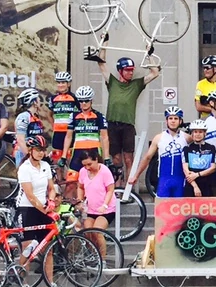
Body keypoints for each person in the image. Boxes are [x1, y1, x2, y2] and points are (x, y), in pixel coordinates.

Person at [100, 47, 160, 183]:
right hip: (112, 124)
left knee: (129, 158)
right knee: (115, 159)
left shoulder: (136, 84)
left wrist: (149, 55)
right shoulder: (113, 82)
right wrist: (104, 44)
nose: (130, 73)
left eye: (132, 70)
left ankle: (129, 189)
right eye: (127, 70)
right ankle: (117, 188)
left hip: (127, 125)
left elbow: (155, 73)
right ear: (120, 71)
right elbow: (101, 64)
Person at [16, 133, 60, 287]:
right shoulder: (24, 168)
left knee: (48, 249)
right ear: (30, 150)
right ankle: (24, 285)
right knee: (28, 249)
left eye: (43, 150)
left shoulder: (45, 166)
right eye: (38, 150)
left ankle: (51, 284)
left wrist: (51, 201)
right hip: (27, 210)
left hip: (43, 208)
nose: (41, 153)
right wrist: (45, 209)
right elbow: (30, 195)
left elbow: (51, 187)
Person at [131, 108, 188, 198]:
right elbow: (147, 157)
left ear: (180, 121)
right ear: (166, 121)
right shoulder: (159, 138)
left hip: (181, 181)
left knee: (179, 211)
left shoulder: (186, 137)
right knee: (162, 210)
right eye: (170, 118)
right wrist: (136, 175)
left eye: (176, 118)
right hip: (163, 181)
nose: (173, 121)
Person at [63, 86, 109, 171]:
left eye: (86, 100)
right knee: (71, 181)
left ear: (91, 101)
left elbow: (104, 137)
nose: (84, 103)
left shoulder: (99, 116)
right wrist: (63, 156)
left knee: (94, 180)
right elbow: (68, 136)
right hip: (77, 152)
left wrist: (106, 157)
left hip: (94, 152)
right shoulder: (73, 116)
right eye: (81, 101)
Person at [76, 152, 116, 230]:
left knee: (97, 231)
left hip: (106, 210)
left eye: (89, 164)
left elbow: (110, 190)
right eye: (84, 165)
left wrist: (104, 205)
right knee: (88, 231)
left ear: (96, 160)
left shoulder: (104, 171)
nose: (87, 168)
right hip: (91, 209)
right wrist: (80, 201)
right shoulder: (83, 172)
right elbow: (80, 187)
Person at [182, 121, 216, 197]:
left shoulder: (211, 148)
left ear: (205, 133)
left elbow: (213, 168)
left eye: (200, 132)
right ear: (191, 134)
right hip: (192, 185)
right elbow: (186, 170)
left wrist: (197, 175)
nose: (198, 134)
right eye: (195, 132)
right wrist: (195, 186)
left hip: (207, 185)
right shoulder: (187, 149)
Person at [49, 71, 77, 157]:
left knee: (70, 158)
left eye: (63, 82)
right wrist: (54, 126)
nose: (60, 85)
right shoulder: (53, 98)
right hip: (57, 133)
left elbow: (80, 114)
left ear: (68, 84)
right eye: (58, 82)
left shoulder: (74, 98)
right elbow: (50, 114)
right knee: (57, 159)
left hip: (70, 132)